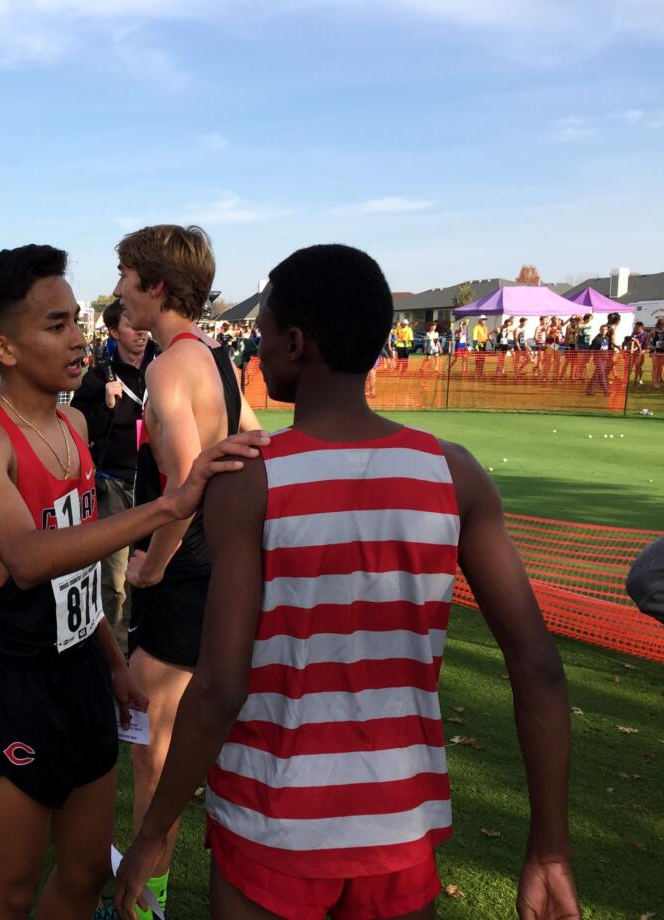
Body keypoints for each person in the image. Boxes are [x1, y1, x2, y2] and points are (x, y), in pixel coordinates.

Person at [116, 243, 580, 920]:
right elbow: (538, 668)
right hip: (398, 828)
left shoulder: (252, 483)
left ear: (297, 343)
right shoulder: (453, 473)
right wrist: (550, 848)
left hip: (266, 825)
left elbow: (219, 686)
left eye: (263, 333)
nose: (255, 349)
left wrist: (154, 831)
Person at [0, 243, 267, 918]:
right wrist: (171, 504)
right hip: (11, 684)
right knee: (8, 891)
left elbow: (76, 574)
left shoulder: (71, 424)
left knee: (88, 873)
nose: (80, 338)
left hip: (82, 675)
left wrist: (113, 661)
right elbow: (28, 559)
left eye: (75, 321)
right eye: (56, 326)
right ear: (2, 346)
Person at [115, 224, 261, 920]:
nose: (116, 289)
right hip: (209, 569)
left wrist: (151, 567)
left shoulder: (170, 366)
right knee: (162, 737)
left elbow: (181, 482)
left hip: (183, 574)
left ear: (156, 287)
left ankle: (147, 905)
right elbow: (258, 444)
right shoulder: (214, 359)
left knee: (153, 744)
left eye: (124, 274)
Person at [69, 299, 153, 648]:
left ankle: (140, 650)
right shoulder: (99, 376)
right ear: (116, 331)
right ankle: (114, 657)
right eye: (134, 327)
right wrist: (105, 406)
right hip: (115, 486)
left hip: (153, 486)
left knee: (147, 572)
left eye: (144, 326)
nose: (142, 334)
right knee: (114, 579)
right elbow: (79, 430)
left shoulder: (162, 369)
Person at [649, 318, 664, 388]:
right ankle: (654, 382)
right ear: (658, 324)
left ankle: (658, 381)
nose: (662, 326)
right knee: (655, 367)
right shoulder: (653, 331)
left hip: (662, 352)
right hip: (655, 352)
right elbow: (647, 340)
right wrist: (650, 346)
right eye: (661, 324)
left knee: (660, 368)